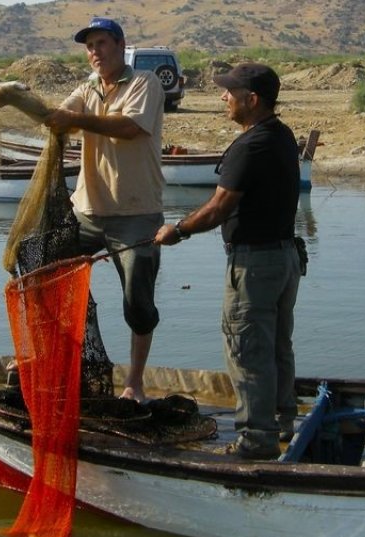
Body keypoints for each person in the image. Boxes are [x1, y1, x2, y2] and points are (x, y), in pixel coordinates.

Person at [153, 63, 302, 460]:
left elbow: (218, 208)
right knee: (276, 346)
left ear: (251, 101)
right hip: (285, 260)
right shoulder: (282, 135)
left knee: (247, 349)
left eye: (230, 92)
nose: (223, 97)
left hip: (254, 265)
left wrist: (177, 230)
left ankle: (256, 440)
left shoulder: (250, 146)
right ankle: (283, 420)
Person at [44, 17, 166, 403]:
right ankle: (44, 359)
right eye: (89, 46)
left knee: (137, 302)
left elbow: (129, 127)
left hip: (136, 215)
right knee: (44, 273)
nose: (94, 52)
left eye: (100, 43)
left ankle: (134, 382)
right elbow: (58, 118)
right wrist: (12, 97)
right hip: (87, 214)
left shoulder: (146, 83)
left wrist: (74, 119)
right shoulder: (86, 89)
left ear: (119, 44)